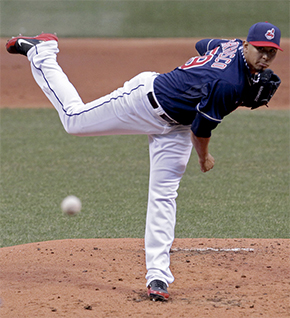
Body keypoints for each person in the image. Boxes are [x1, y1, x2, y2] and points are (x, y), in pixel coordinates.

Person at [6, 21, 282, 301]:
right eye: (260, 49)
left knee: (164, 194)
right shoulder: (228, 85)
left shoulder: (231, 46)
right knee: (75, 121)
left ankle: (158, 277)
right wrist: (204, 158)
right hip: (143, 102)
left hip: (176, 127)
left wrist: (204, 73)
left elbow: (204, 45)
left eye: (271, 52)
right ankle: (43, 53)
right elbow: (201, 130)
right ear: (247, 45)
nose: (265, 57)